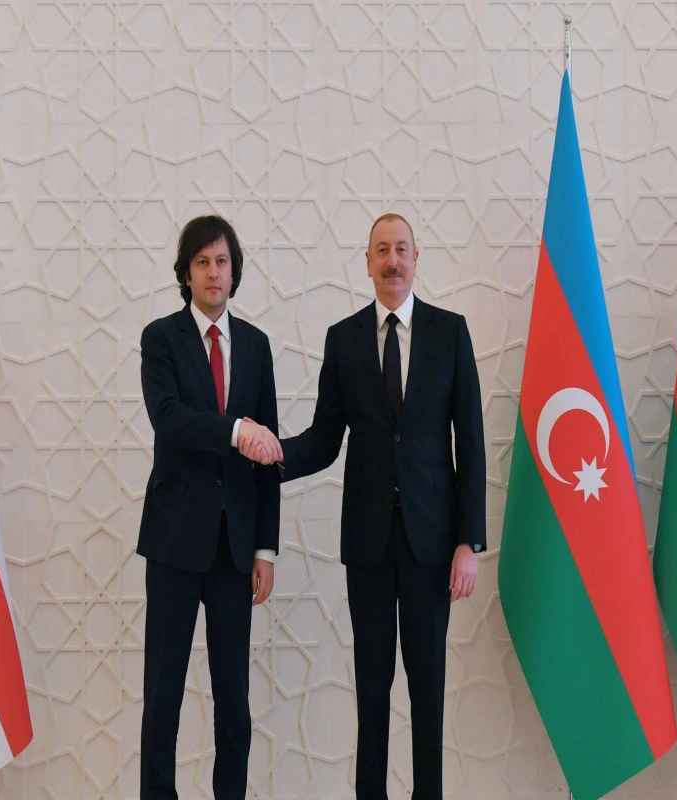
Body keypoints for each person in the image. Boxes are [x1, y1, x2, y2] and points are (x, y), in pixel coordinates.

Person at [244, 213, 485, 799]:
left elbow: (472, 442)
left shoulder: (450, 332)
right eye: (382, 250)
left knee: (427, 691)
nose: (392, 260)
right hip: (369, 544)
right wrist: (277, 453)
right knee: (372, 691)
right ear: (368, 263)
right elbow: (327, 437)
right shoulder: (344, 339)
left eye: (401, 249)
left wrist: (469, 541)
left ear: (416, 258)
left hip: (433, 545)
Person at [137, 215, 282, 798]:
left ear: (234, 271)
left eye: (222, 261)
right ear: (186, 273)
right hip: (174, 544)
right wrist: (235, 431)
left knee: (234, 704)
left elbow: (269, 451)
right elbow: (169, 419)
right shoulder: (160, 338)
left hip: (234, 550)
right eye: (202, 262)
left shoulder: (257, 345)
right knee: (163, 698)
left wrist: (266, 548)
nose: (213, 272)